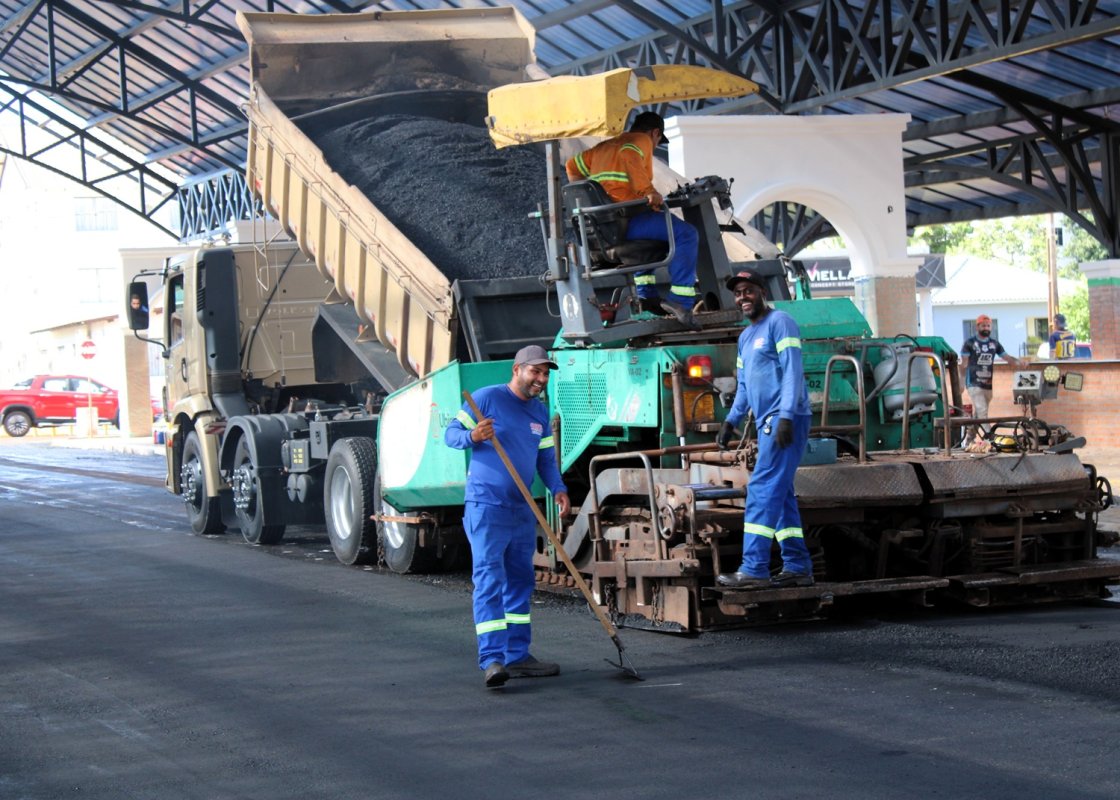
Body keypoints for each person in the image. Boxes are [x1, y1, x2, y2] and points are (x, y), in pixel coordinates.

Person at [444, 344, 572, 688]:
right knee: (489, 579)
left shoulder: (540, 413)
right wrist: (473, 435)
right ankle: (492, 659)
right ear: (517, 370)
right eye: (535, 371)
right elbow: (450, 435)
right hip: (487, 506)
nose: (541, 379)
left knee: (520, 580)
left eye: (545, 374)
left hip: (521, 507)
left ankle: (517, 656)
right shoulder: (487, 399)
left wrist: (558, 488)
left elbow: (545, 459)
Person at [715, 270, 814, 589]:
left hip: (785, 419)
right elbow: (744, 386)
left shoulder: (780, 322)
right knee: (780, 493)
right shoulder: (745, 337)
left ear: (762, 292)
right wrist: (730, 420)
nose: (742, 297)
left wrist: (786, 415)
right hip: (769, 421)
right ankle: (797, 566)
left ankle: (754, 569)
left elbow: (793, 370)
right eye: (738, 293)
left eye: (748, 290)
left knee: (761, 488)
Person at [565, 110, 700, 327]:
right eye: (657, 141)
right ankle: (681, 301)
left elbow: (571, 166)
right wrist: (649, 191)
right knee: (687, 234)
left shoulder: (603, 147)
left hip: (603, 228)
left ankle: (647, 297)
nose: (654, 146)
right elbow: (629, 154)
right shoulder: (640, 140)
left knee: (657, 231)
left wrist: (588, 201)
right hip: (627, 220)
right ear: (655, 133)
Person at [958, 314, 1022, 449]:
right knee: (982, 412)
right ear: (977, 327)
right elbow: (963, 364)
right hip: (973, 383)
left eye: (988, 326)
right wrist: (961, 382)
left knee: (978, 416)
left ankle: (968, 440)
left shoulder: (994, 344)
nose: (986, 328)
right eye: (983, 326)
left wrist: (1020, 363)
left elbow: (1007, 358)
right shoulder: (969, 343)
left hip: (987, 385)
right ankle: (991, 438)